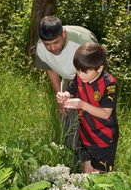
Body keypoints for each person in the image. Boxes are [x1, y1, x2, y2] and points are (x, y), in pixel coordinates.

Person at [35, 15, 98, 154]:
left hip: (91, 76)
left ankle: (91, 160)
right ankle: (71, 157)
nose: (52, 48)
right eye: (47, 44)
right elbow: (50, 69)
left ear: (63, 34)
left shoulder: (82, 43)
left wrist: (73, 94)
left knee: (89, 118)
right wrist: (60, 97)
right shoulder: (40, 47)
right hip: (69, 78)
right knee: (66, 116)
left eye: (56, 42)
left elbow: (90, 73)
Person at [56, 42, 119, 173]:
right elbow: (71, 90)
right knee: (86, 178)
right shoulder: (80, 77)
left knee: (99, 181)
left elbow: (106, 113)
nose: (80, 75)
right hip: (87, 136)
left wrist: (82, 105)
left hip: (104, 139)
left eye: (85, 71)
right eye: (78, 70)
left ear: (99, 68)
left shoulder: (109, 84)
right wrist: (64, 96)